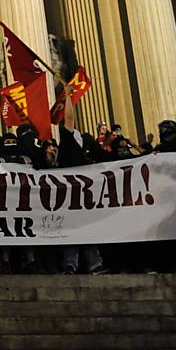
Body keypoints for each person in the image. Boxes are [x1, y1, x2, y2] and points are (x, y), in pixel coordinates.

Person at [58, 85, 107, 275]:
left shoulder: (80, 149)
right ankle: (78, 263)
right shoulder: (68, 144)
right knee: (76, 226)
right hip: (73, 192)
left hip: (82, 193)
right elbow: (69, 119)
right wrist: (68, 96)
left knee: (83, 226)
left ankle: (87, 263)